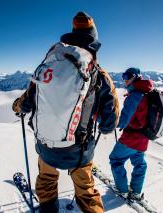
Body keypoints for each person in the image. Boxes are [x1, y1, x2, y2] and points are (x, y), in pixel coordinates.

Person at [12, 11, 119, 213]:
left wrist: (17, 107)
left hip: (45, 145)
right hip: (79, 150)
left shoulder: (50, 65)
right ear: (94, 40)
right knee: (86, 191)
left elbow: (26, 102)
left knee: (46, 179)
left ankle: (48, 208)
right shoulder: (100, 75)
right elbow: (109, 125)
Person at [109, 67, 153, 200]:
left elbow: (123, 121)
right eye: (123, 76)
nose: (125, 80)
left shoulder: (135, 96)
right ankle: (136, 192)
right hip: (144, 138)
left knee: (115, 160)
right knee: (140, 164)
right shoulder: (147, 92)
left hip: (131, 139)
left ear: (135, 77)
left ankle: (122, 190)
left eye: (127, 76)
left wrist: (108, 121)